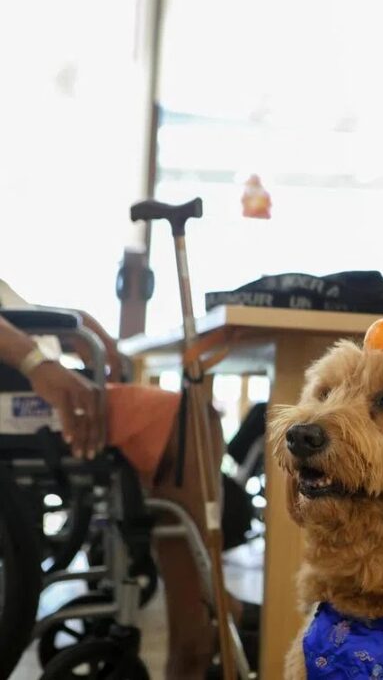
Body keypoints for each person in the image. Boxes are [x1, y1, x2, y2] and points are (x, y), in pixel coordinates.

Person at [0, 281, 257, 679]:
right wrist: (38, 363)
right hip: (16, 398)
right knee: (189, 421)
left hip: (22, 383)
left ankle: (209, 606)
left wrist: (80, 326)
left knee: (190, 419)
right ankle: (195, 635)